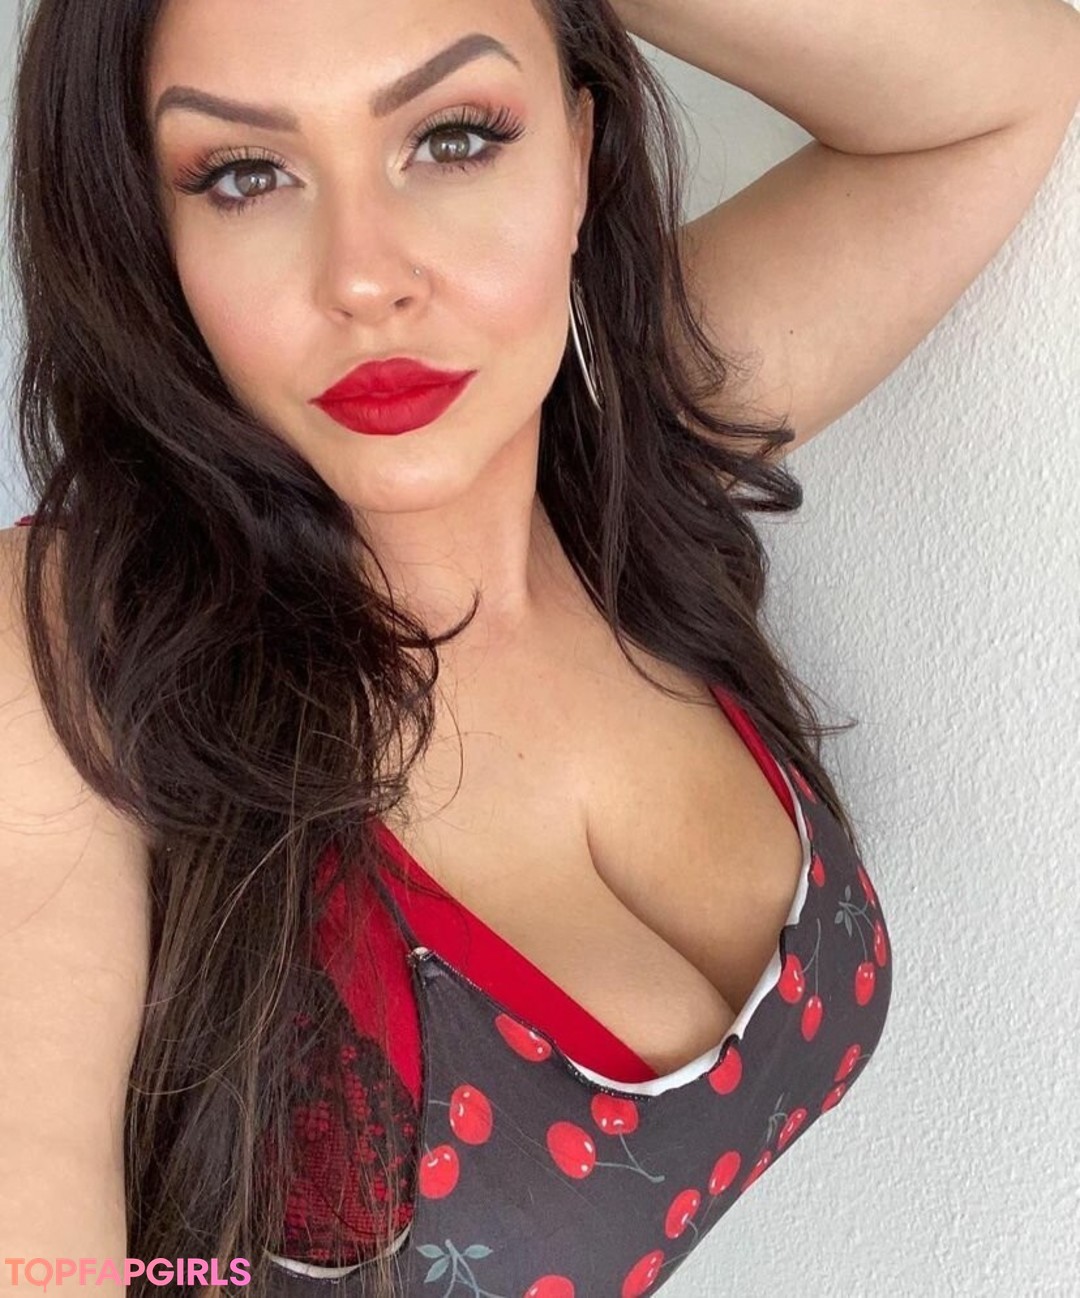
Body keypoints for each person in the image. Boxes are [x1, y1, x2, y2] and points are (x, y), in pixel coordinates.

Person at [2, 0, 1073, 1293]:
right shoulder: (68, 646)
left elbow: (1002, 90)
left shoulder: (626, 443)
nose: (366, 278)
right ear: (149, 233)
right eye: (244, 174)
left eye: (454, 137)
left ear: (580, 153)